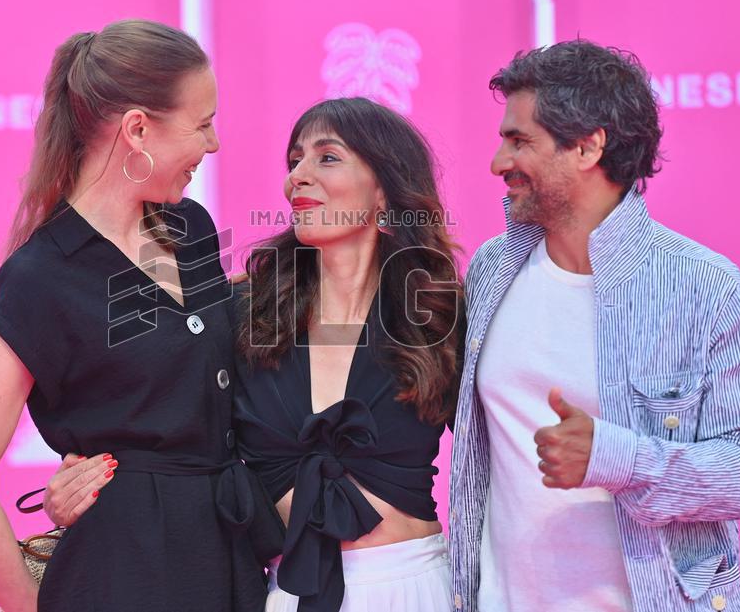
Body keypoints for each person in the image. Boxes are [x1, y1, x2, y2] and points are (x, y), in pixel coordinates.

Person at [44, 97, 467, 612]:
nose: (298, 177)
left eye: (326, 157)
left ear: (384, 189)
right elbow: (163, 430)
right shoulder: (243, 311)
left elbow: (497, 456)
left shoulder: (438, 312)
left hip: (413, 587)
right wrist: (86, 482)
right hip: (283, 591)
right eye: (294, 162)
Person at [0, 19, 277, 612]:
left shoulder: (189, 229)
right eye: (203, 124)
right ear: (139, 129)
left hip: (227, 559)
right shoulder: (43, 276)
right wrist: (37, 605)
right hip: (123, 573)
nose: (214, 145)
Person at [448, 40, 740, 612]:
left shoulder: (705, 287)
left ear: (586, 146)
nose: (498, 163)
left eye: (519, 140)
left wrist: (616, 457)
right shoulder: (492, 268)